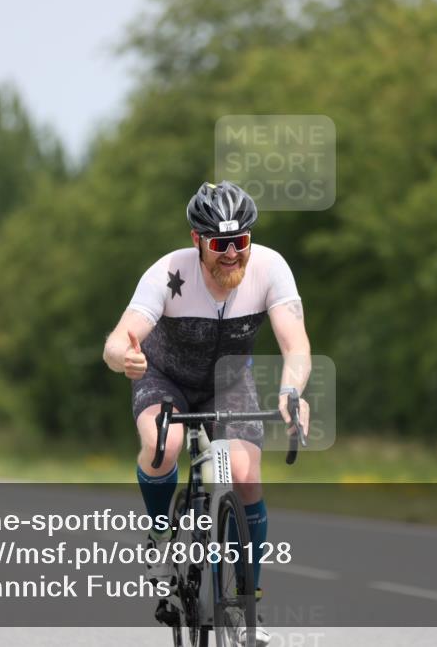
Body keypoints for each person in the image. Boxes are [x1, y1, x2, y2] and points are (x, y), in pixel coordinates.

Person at [103, 181, 311, 646]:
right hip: (164, 377)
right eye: (220, 244)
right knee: (164, 445)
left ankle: (248, 599)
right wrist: (123, 357)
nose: (232, 254)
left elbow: (295, 343)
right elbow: (118, 339)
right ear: (197, 239)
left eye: (241, 241)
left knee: (245, 474)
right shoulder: (168, 273)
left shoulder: (271, 268)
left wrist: (291, 391)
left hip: (228, 384)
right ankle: (160, 540)